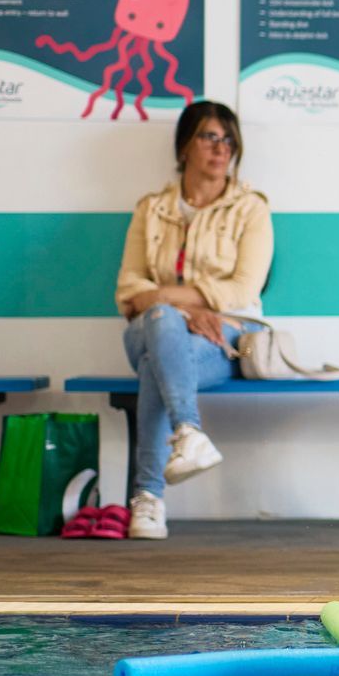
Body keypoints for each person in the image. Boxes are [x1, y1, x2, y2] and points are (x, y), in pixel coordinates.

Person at [113, 100, 272, 539]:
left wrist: (162, 298)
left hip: (223, 337)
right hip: (150, 329)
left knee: (154, 365)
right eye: (208, 136)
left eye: (227, 140)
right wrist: (182, 309)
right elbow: (128, 291)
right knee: (162, 322)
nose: (220, 149)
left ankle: (148, 498)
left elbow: (243, 291)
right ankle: (188, 430)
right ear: (185, 146)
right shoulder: (152, 208)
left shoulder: (251, 209)